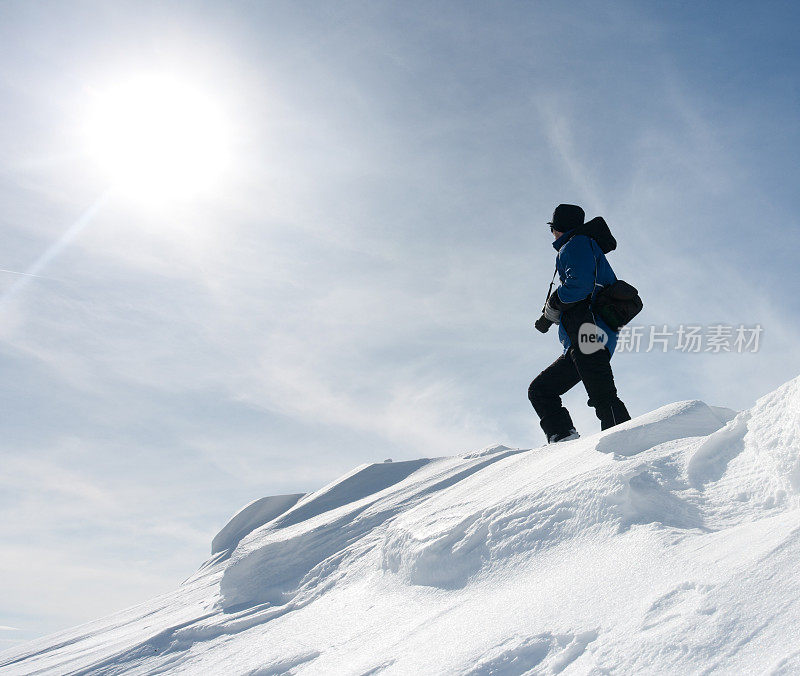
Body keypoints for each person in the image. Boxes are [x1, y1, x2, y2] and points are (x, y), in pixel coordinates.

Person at [529, 204, 631, 443]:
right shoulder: (583, 245)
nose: (552, 233)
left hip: (589, 334)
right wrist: (551, 315)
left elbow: (580, 285)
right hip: (584, 338)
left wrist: (552, 306)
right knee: (542, 390)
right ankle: (565, 440)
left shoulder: (575, 244)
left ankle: (629, 445)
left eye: (552, 228)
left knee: (603, 396)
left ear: (558, 228)